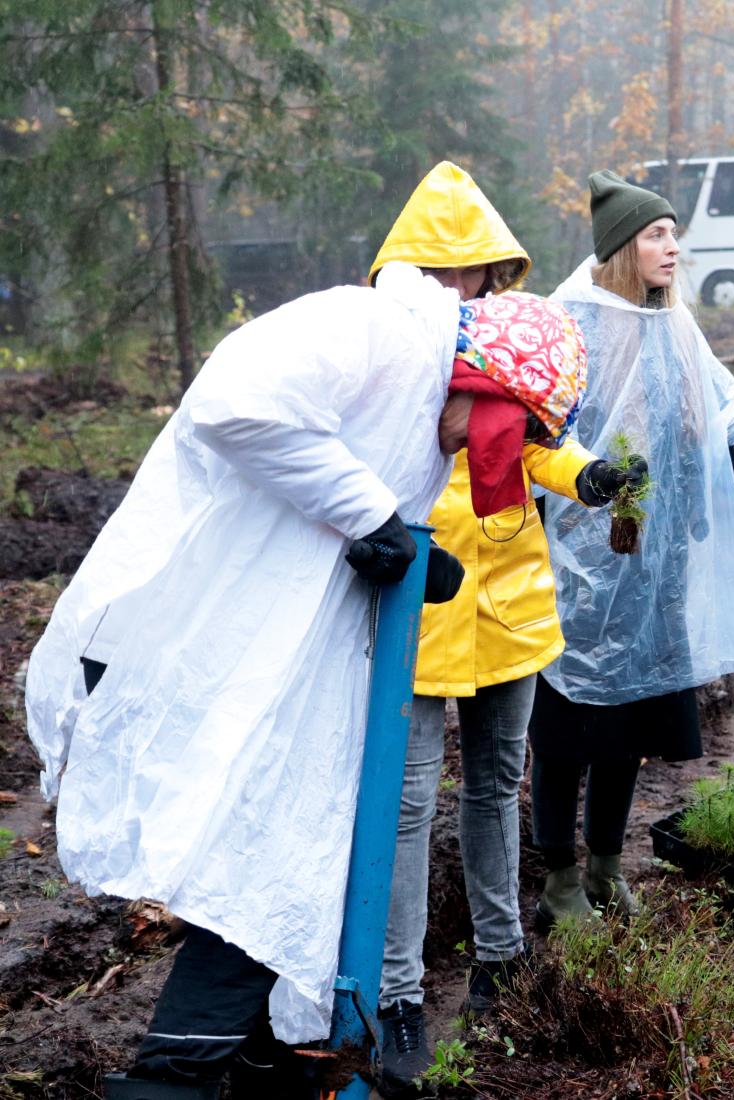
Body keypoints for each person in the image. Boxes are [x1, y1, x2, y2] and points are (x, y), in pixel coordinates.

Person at [20, 262, 574, 1099]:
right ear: (483, 382)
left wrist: (414, 549)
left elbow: (360, 505)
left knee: (290, 858)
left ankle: (262, 1061)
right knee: (253, 855)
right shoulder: (368, 331)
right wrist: (372, 515)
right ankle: (173, 1080)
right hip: (220, 637)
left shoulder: (423, 394)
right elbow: (237, 404)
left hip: (293, 660)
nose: (472, 449)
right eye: (497, 430)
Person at [365, 162, 643, 1097]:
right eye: (438, 275)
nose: (455, 291)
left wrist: (589, 477)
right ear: (404, 275)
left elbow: (536, 442)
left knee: (493, 787)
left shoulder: (507, 352)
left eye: (470, 273)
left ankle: (500, 957)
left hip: (511, 599)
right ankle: (396, 996)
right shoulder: (385, 360)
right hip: (423, 605)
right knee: (408, 806)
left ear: (492, 275)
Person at [527, 170, 734, 924]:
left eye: (672, 233)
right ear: (623, 247)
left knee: (626, 731)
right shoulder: (567, 329)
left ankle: (604, 868)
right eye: (658, 234)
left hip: (653, 570)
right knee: (564, 732)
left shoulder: (675, 328)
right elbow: (534, 448)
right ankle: (558, 880)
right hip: (574, 576)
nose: (673, 247)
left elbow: (729, 449)